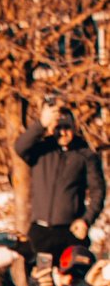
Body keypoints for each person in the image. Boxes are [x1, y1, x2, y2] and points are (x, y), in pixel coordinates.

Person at [14, 103, 105, 263]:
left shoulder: (85, 155)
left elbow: (98, 191)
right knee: (42, 281)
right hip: (40, 233)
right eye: (58, 127)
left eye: (67, 127)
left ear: (74, 127)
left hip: (70, 232)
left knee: (72, 283)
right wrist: (41, 124)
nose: (62, 132)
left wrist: (86, 220)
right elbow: (20, 147)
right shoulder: (41, 151)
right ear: (51, 128)